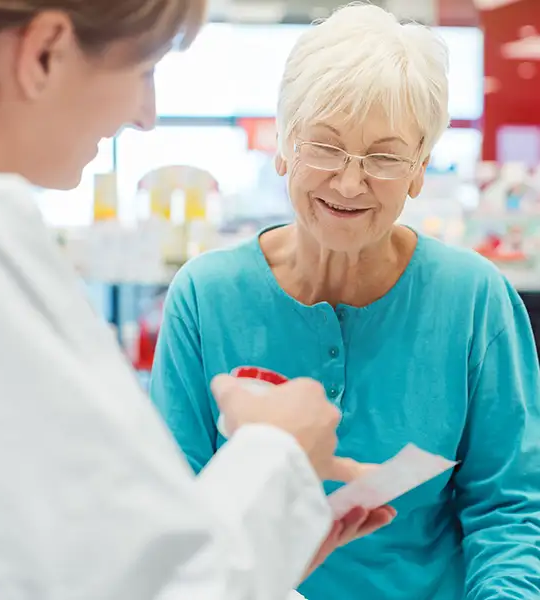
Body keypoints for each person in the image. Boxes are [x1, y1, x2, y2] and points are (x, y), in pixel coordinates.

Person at [0, 1, 397, 599]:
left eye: (384, 156)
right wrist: (279, 453)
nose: (148, 116)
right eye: (144, 70)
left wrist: (267, 544)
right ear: (45, 52)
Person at [150, 4, 540, 600]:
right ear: (282, 145)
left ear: (418, 170)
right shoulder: (206, 298)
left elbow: (509, 510)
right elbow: (177, 511)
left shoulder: (474, 300)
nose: (350, 182)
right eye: (325, 148)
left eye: (384, 157)